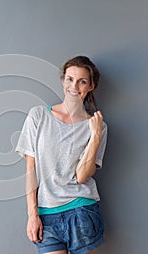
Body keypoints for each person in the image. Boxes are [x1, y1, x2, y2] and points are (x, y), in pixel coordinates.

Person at [15, 56, 108, 254]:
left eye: (82, 81)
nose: (74, 86)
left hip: (81, 211)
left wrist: (96, 137)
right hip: (46, 215)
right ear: (63, 80)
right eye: (70, 79)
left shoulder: (97, 126)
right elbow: (30, 169)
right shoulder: (38, 115)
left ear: (91, 86)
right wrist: (32, 214)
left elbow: (82, 176)